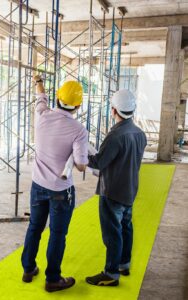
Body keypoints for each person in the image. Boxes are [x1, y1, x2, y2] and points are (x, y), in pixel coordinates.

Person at [21, 75, 88, 292]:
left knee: (35, 227)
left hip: (38, 185)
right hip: (60, 190)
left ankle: (29, 269)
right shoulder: (79, 130)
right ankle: (52, 279)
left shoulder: (41, 115)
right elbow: (80, 165)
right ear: (78, 105)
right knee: (57, 234)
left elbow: (40, 97)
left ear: (57, 98)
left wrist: (38, 82)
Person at [85, 89, 147, 286]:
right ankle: (123, 264)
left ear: (113, 110)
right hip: (129, 189)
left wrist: (82, 155)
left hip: (112, 191)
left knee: (112, 233)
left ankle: (111, 274)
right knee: (126, 227)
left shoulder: (116, 136)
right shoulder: (139, 134)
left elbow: (99, 162)